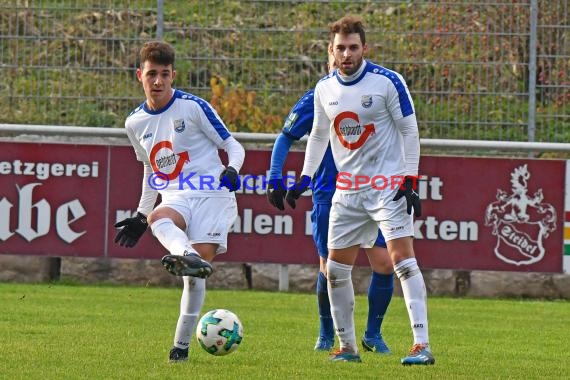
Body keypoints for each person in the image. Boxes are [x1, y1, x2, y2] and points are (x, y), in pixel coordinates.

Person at [286, 15, 435, 365]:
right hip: (348, 191)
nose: (347, 54)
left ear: (365, 48)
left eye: (353, 47)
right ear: (331, 51)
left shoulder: (388, 82)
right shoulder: (324, 88)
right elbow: (319, 135)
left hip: (388, 187)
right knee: (335, 270)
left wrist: (410, 179)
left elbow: (410, 131)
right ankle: (347, 348)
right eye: (340, 48)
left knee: (402, 261)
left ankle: (421, 345)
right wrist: (305, 178)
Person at [113, 40, 245, 363]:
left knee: (192, 276)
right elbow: (149, 168)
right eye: (151, 75)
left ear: (173, 75)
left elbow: (233, 145)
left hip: (213, 195)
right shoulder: (134, 123)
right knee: (159, 219)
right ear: (139, 76)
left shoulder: (193, 107)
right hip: (177, 196)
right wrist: (142, 214)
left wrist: (232, 169)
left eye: (164, 75)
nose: (157, 82)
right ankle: (184, 254)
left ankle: (180, 347)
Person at [267, 53, 394, 355]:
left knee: (386, 263)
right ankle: (327, 332)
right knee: (330, 267)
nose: (342, 58)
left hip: (371, 193)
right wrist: (275, 176)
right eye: (336, 53)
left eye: (349, 51)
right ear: (330, 58)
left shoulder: (373, 94)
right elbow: (286, 136)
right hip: (329, 194)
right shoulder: (320, 95)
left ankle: (373, 334)